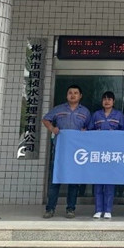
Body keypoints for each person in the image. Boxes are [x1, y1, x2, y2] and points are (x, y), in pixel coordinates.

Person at [41, 84, 91, 219]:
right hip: (60, 152)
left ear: (80, 96)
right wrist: (52, 129)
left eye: (75, 93)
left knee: (73, 182)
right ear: (67, 95)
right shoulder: (59, 109)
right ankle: (50, 209)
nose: (73, 95)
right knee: (55, 181)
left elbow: (89, 128)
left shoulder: (85, 112)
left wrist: (85, 132)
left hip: (76, 154)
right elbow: (45, 119)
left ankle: (70, 209)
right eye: (70, 93)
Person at [88, 91, 124, 219]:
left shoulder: (119, 115)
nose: (107, 101)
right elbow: (90, 131)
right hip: (98, 153)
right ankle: (98, 209)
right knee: (98, 182)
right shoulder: (96, 115)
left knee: (109, 182)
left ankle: (108, 209)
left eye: (109, 99)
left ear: (113, 102)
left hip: (112, 153)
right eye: (104, 99)